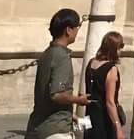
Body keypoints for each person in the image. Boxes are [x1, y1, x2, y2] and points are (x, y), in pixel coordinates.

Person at [29, 8, 92, 139]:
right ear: (68, 30)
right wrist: (79, 100)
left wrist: (73, 117)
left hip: (39, 127)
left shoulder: (48, 53)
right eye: (76, 28)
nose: (77, 32)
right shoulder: (61, 56)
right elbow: (56, 95)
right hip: (55, 130)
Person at [85, 31, 127, 139]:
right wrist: (118, 128)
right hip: (104, 119)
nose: (120, 51)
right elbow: (110, 102)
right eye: (119, 48)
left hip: (90, 115)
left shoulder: (91, 63)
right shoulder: (111, 69)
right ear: (113, 49)